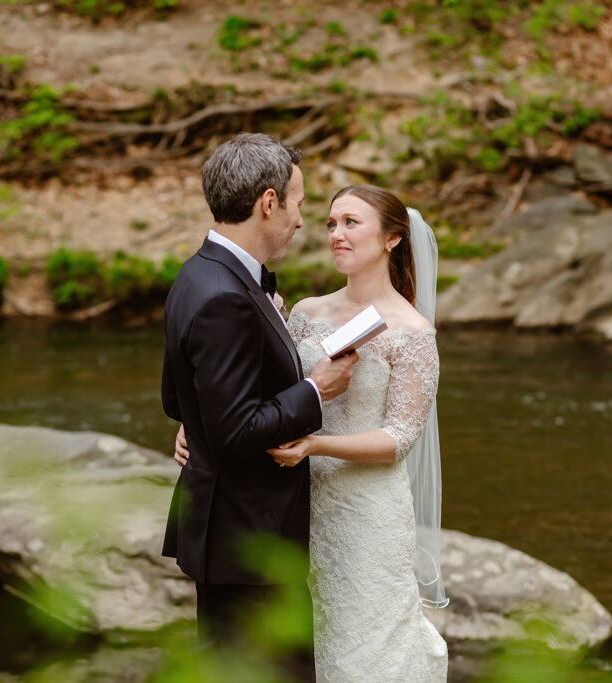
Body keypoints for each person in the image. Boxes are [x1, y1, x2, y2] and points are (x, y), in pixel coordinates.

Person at [176, 184, 449, 682]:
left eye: (351, 223)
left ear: (392, 239)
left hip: (365, 510)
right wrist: (198, 427)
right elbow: (250, 387)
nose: (336, 235)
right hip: (294, 505)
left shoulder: (412, 331)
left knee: (366, 645)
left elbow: (398, 438)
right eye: (330, 223)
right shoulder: (304, 312)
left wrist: (317, 445)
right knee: (302, 651)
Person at [160, 133, 358, 680]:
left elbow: (174, 397)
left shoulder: (197, 274)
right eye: (296, 203)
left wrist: (195, 429)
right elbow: (234, 433)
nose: (301, 220)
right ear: (268, 203)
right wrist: (316, 389)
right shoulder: (225, 295)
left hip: (230, 534)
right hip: (248, 538)